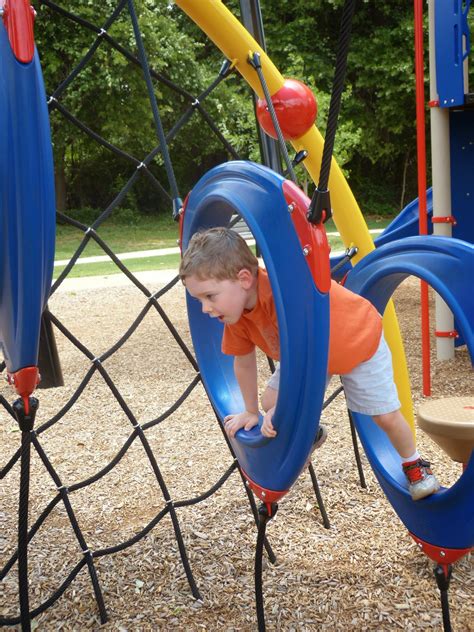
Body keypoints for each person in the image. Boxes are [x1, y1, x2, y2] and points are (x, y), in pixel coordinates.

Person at [179, 227, 440, 501]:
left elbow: (304, 354)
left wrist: (287, 409)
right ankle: (310, 434)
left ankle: (414, 464)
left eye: (210, 296)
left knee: (383, 416)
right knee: (272, 402)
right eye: (198, 300)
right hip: (305, 357)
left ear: (244, 278)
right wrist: (251, 411)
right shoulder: (234, 315)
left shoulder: (283, 295)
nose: (205, 309)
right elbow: (243, 362)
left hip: (357, 342)